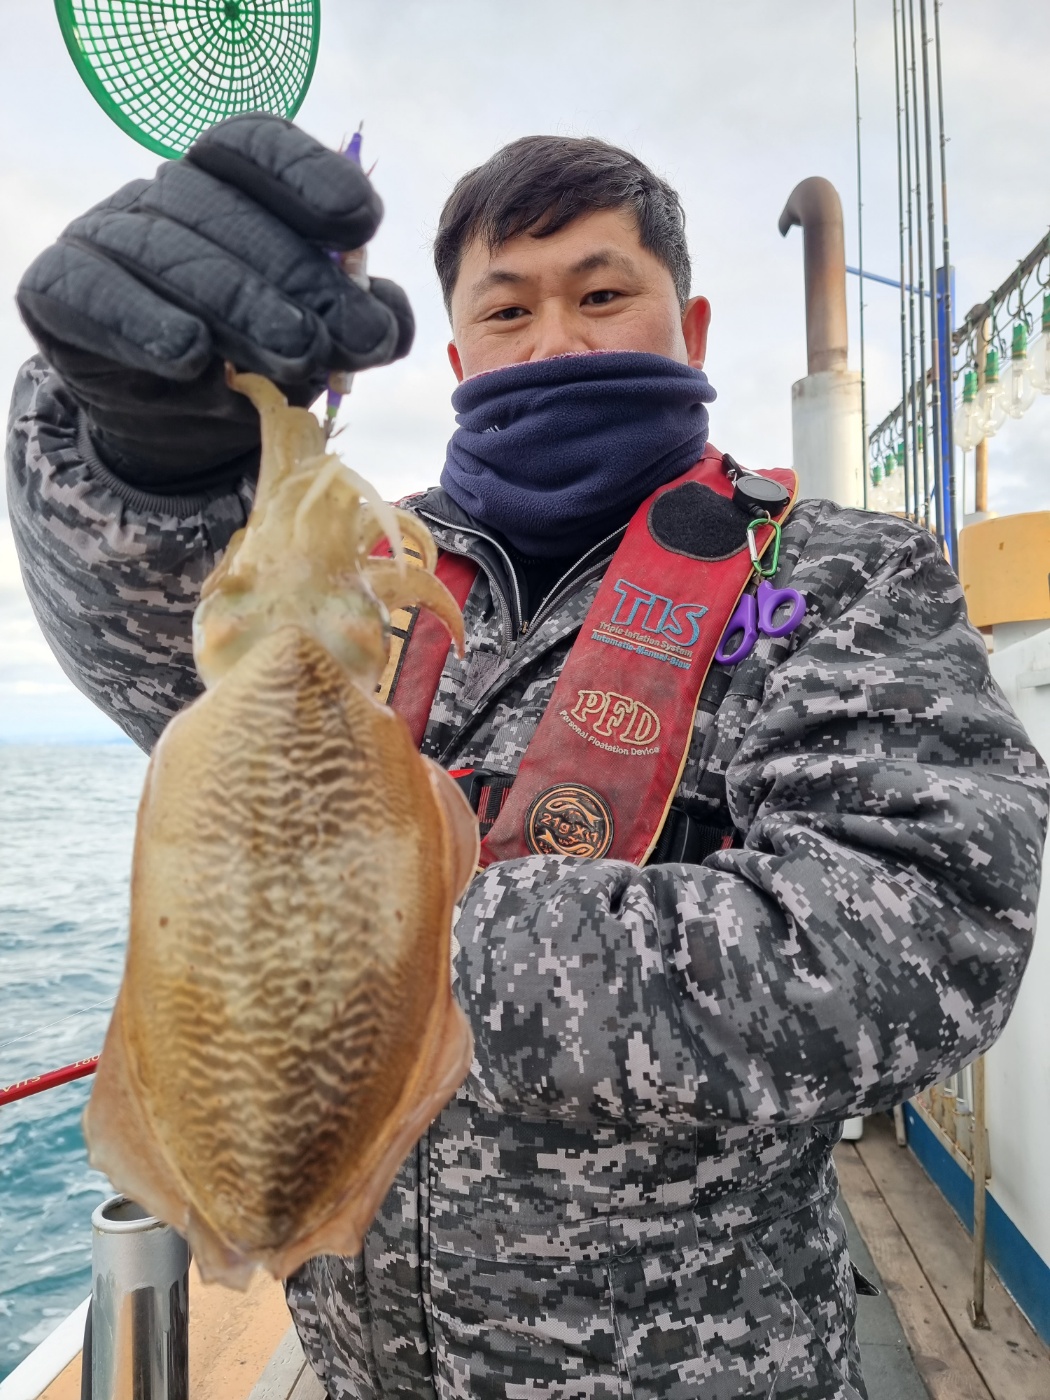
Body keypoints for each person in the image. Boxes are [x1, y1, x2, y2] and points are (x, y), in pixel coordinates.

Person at [7, 114, 1047, 1400]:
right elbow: (164, 654)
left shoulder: (844, 575)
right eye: (507, 310)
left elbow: (926, 939)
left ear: (692, 325)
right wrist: (129, 451)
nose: (553, 341)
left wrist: (401, 949)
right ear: (456, 353)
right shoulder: (361, 566)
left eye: (602, 294)